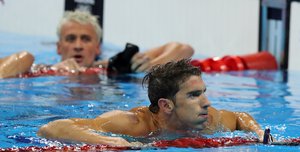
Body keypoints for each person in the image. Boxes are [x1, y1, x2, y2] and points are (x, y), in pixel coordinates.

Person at [37, 59, 265, 147]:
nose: (206, 102)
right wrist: (110, 141)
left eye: (203, 92)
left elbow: (238, 117)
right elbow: (50, 128)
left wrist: (257, 131)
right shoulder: (133, 124)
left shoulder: (207, 120)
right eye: (194, 95)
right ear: (166, 105)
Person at [0, 10, 194, 78]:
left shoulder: (110, 65)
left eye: (85, 39)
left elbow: (183, 49)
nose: (78, 45)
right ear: (59, 47)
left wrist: (149, 65)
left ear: (97, 47)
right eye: (70, 39)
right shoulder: (41, 68)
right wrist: (52, 69)